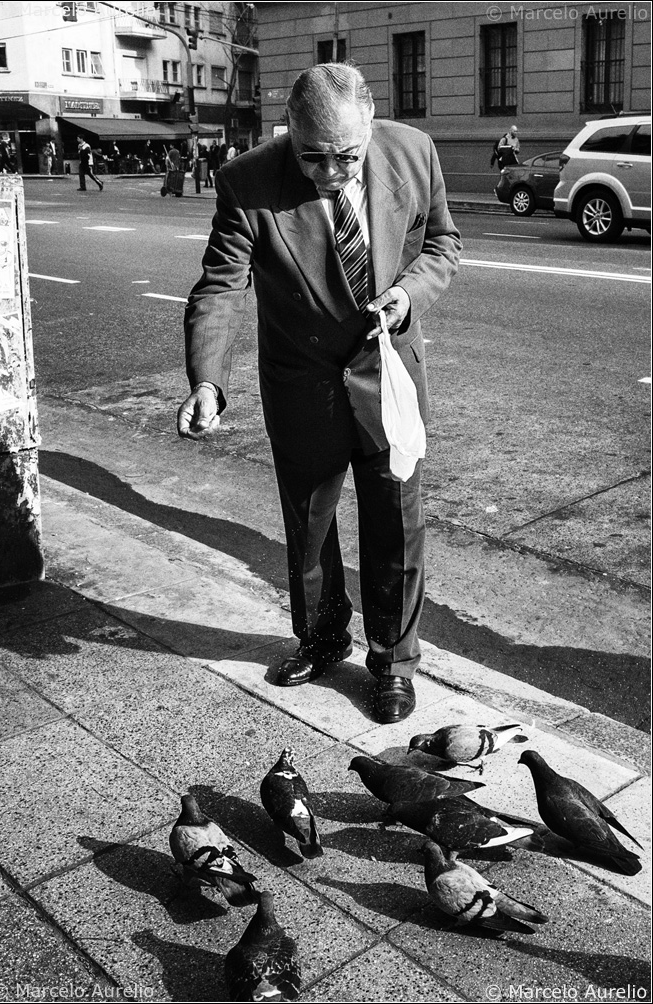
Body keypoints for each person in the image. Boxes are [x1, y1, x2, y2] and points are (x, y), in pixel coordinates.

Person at [177, 63, 461, 725]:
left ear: (369, 126)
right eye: (313, 157)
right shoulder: (247, 181)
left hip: (387, 378)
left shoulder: (413, 152)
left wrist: (407, 294)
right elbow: (219, 288)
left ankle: (391, 662)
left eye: (346, 157)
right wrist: (208, 380)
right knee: (308, 530)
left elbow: (443, 243)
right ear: (288, 131)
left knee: (396, 527)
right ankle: (323, 637)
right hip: (301, 383)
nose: (331, 172)